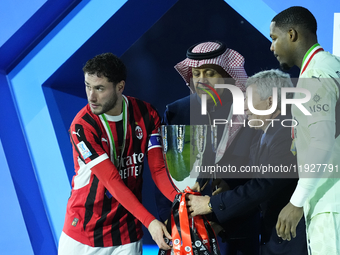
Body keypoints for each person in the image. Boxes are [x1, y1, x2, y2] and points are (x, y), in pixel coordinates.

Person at [58, 53, 178, 255]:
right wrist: (150, 222)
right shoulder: (82, 126)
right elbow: (111, 180)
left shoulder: (147, 114)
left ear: (120, 87)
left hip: (126, 235)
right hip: (83, 234)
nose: (91, 96)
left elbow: (158, 170)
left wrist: (181, 200)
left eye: (99, 88)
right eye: (88, 86)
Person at [187, 69, 308, 255]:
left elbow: (264, 185)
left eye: (249, 99)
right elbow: (252, 174)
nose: (243, 107)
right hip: (274, 237)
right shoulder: (263, 134)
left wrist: (211, 204)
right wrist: (227, 183)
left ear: (271, 102)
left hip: (293, 239)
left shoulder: (287, 134)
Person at [155, 41, 261, 255]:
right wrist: (171, 218)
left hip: (237, 230)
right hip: (185, 229)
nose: (201, 80)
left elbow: (261, 175)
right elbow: (164, 170)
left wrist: (223, 205)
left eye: (210, 73)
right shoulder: (177, 112)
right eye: (196, 73)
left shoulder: (254, 112)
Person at [270, 6, 340, 254]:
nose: (272, 48)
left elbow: (322, 143)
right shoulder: (333, 65)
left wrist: (297, 202)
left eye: (274, 38)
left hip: (330, 204)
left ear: (292, 34)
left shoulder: (315, 75)